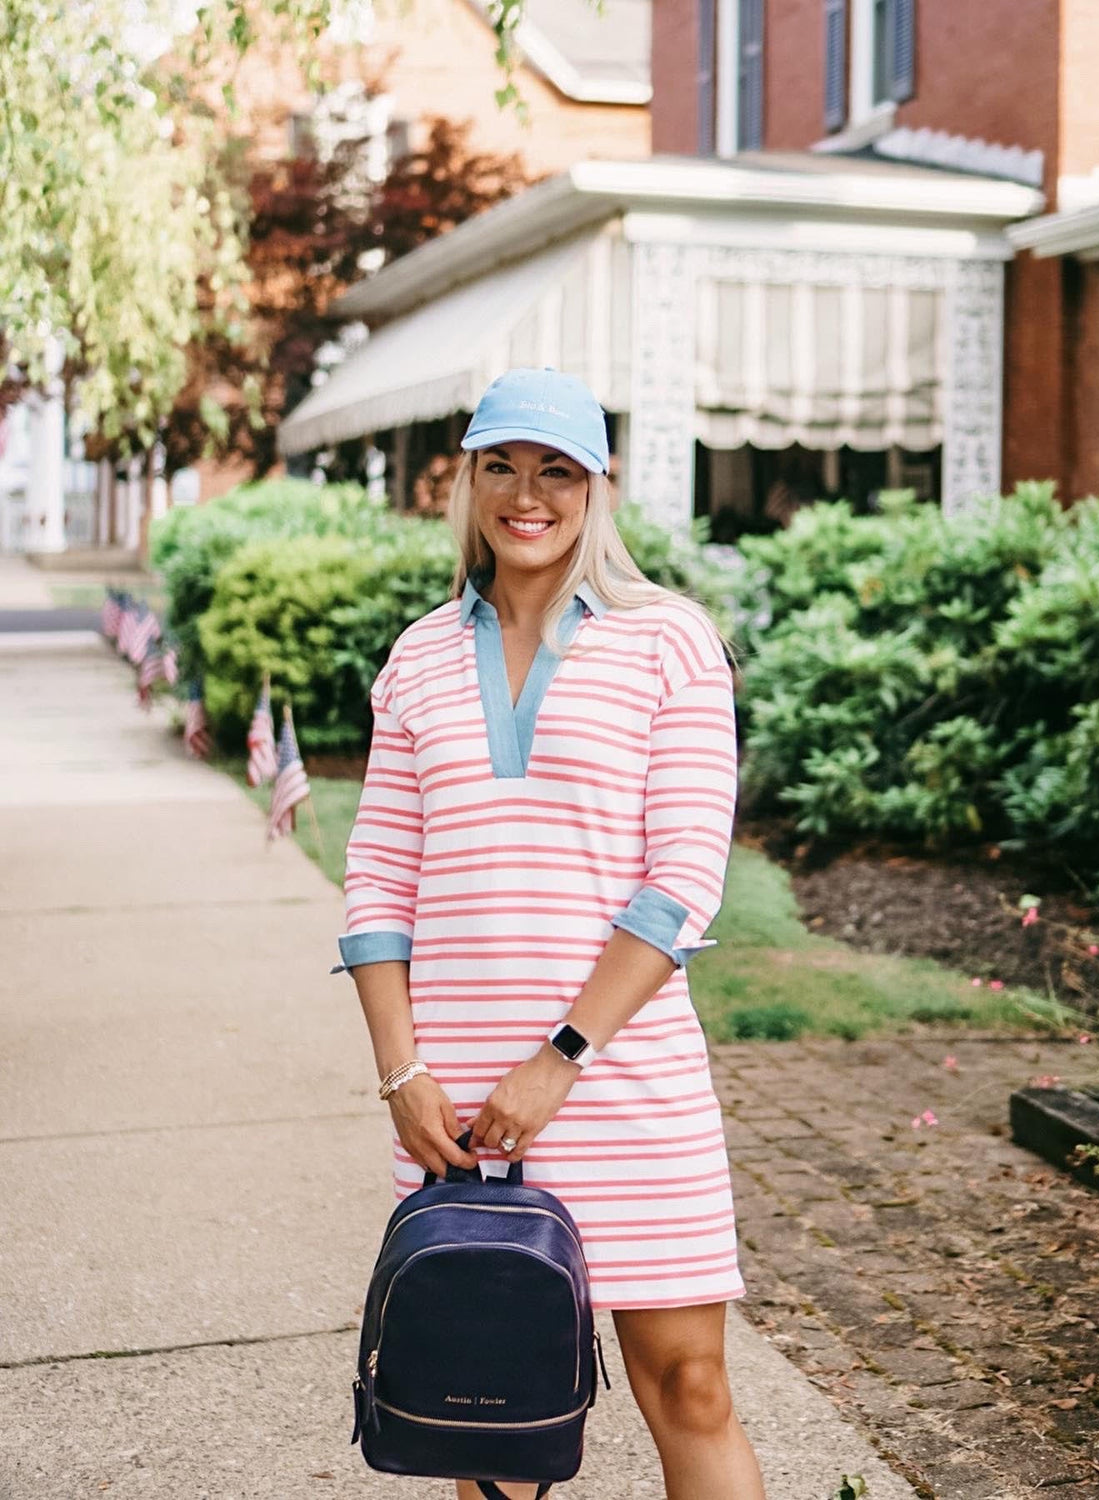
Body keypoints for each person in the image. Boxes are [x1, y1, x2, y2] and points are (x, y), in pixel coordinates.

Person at [335, 367, 765, 1500]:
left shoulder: (669, 641)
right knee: (489, 1414)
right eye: (502, 467)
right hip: (460, 1096)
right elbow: (377, 881)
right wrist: (402, 1073)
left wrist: (559, 1058)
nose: (528, 494)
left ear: (597, 488)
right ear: (470, 480)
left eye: (557, 470)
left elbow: (681, 885)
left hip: (621, 1080)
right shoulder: (418, 657)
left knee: (692, 1390)